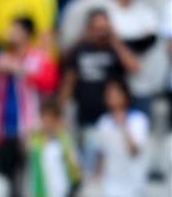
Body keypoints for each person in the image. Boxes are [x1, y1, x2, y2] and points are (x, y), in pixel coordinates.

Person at [0, 18, 58, 197]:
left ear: (26, 34)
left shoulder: (38, 59)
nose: (10, 32)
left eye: (15, 28)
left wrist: (20, 71)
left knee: (30, 179)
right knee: (5, 180)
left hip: (28, 130)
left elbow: (49, 84)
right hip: (3, 130)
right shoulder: (2, 58)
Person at [59, 9, 139, 163]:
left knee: (113, 161)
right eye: (96, 29)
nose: (101, 34)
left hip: (113, 119)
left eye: (104, 29)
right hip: (87, 117)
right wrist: (60, 111)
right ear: (89, 29)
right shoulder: (80, 50)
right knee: (89, 161)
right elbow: (68, 81)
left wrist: (115, 41)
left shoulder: (116, 49)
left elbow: (134, 67)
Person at [94, 79, 149, 197]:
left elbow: (135, 151)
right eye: (108, 95)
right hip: (110, 192)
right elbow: (101, 154)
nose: (112, 98)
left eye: (116, 94)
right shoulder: (103, 122)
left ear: (125, 96)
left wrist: (123, 125)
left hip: (134, 192)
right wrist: (97, 180)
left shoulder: (139, 120)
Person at [109, 0, 164, 115]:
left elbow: (147, 42)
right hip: (114, 83)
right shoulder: (107, 11)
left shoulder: (146, 12)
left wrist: (118, 42)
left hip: (141, 82)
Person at [26, 98, 80, 197]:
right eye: (45, 119)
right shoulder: (35, 142)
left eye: (51, 119)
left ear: (58, 120)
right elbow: (25, 147)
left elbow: (75, 169)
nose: (48, 123)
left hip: (62, 196)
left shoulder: (66, 142)